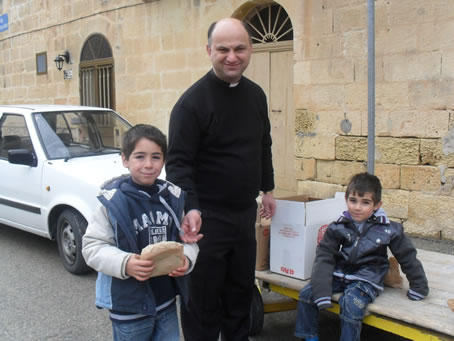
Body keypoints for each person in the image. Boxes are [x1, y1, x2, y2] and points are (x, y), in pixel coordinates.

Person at [166, 17, 276, 341]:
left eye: (239, 48)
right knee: (203, 301)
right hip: (206, 222)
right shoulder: (190, 104)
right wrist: (191, 208)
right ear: (208, 50)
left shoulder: (256, 95)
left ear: (250, 49)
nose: (232, 56)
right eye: (223, 49)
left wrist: (267, 188)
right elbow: (178, 165)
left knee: (240, 293)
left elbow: (263, 143)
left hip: (244, 216)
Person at [82, 124, 200, 341]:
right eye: (139, 157)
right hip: (129, 309)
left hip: (166, 304)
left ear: (164, 160)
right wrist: (125, 263)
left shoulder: (172, 200)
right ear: (125, 159)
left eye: (156, 157)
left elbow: (189, 241)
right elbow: (92, 247)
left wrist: (187, 258)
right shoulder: (113, 203)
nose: (148, 164)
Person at [294, 172, 429, 341]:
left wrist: (419, 287)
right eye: (353, 200)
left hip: (367, 279)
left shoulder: (389, 229)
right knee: (307, 294)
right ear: (346, 199)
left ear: (377, 205)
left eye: (365, 202)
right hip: (340, 273)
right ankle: (309, 337)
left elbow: (407, 257)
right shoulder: (338, 226)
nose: (357, 207)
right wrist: (321, 291)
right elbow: (325, 256)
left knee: (351, 304)